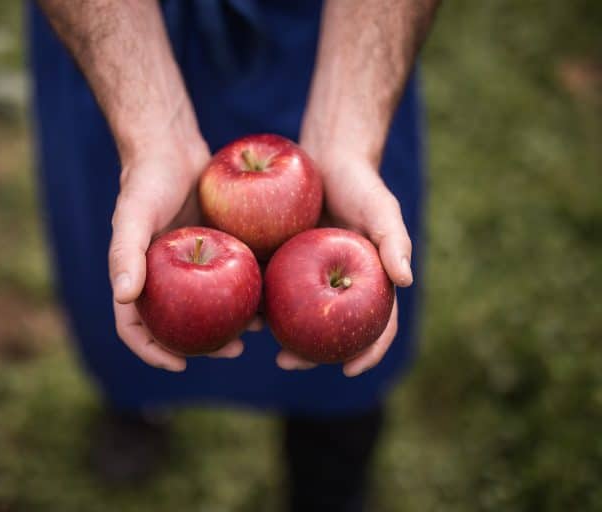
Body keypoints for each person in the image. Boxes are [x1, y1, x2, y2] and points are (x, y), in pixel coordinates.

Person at [29, 1, 439, 510]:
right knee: (129, 263)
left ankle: (332, 468)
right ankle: (136, 404)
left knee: (347, 337)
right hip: (120, 31)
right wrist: (148, 132)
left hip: (335, 40)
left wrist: (349, 134)